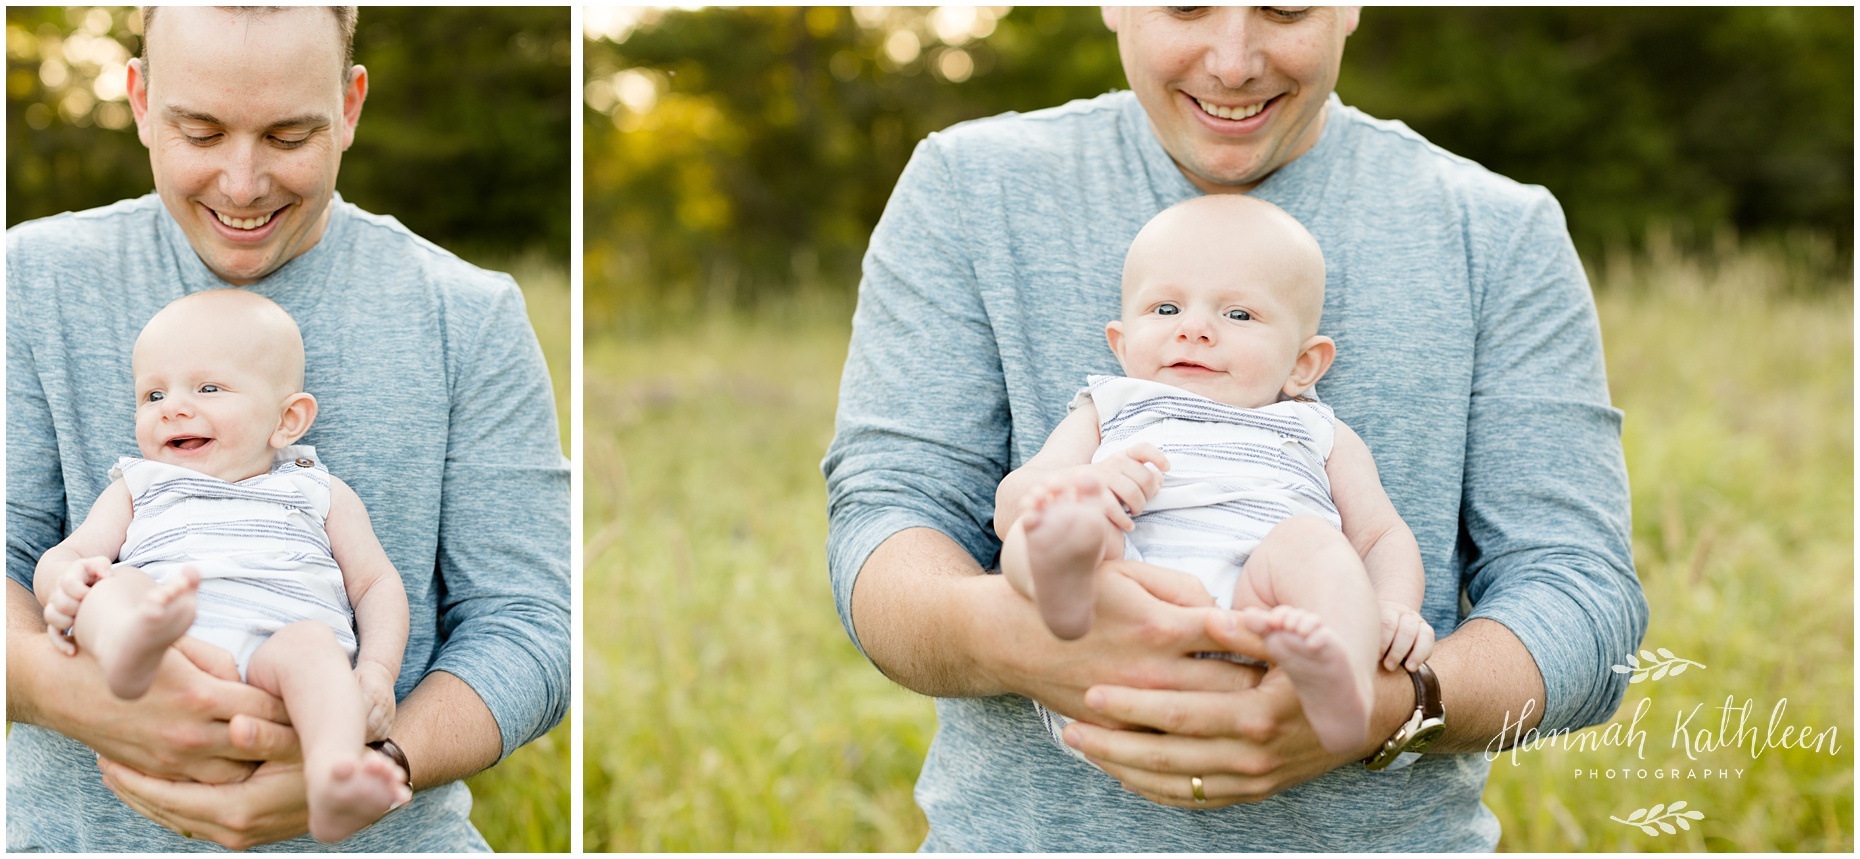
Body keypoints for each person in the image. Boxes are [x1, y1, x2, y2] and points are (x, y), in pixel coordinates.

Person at [821, 6, 1647, 851]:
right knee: (1058, 531)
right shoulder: (970, 187)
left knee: (1312, 548)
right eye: (1185, 3)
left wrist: (1390, 703)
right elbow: (890, 515)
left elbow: (1580, 594)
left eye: (1284, 6)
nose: (1232, 61)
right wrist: (1009, 634)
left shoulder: (1498, 231)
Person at [6, 6, 568, 851]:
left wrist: (384, 755)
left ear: (349, 107)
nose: (241, 184)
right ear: (140, 102)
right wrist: (72, 693)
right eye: (199, 132)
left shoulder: (468, 316)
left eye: (287, 136)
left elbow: (530, 624)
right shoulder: (29, 282)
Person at [998, 196, 1432, 758]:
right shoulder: (1111, 407)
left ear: (1303, 365)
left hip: (1261, 628)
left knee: (1309, 545)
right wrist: (1082, 488)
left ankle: (1341, 680)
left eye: (1238, 315)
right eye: (1165, 309)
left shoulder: (1315, 429)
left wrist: (1393, 607)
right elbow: (1014, 499)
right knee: (1061, 514)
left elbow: (1380, 536)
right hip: (1117, 612)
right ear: (1123, 345)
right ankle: (1066, 590)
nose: (1195, 330)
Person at [36, 290, 413, 843]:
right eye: (153, 393)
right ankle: (127, 649)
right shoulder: (139, 485)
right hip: (167, 658)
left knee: (310, 644)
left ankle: (335, 775)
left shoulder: (317, 490)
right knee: (120, 585)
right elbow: (69, 554)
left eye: (208, 388)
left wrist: (376, 673)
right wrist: (65, 584)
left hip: (276, 668)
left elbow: (377, 583)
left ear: (288, 420)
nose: (172, 407)